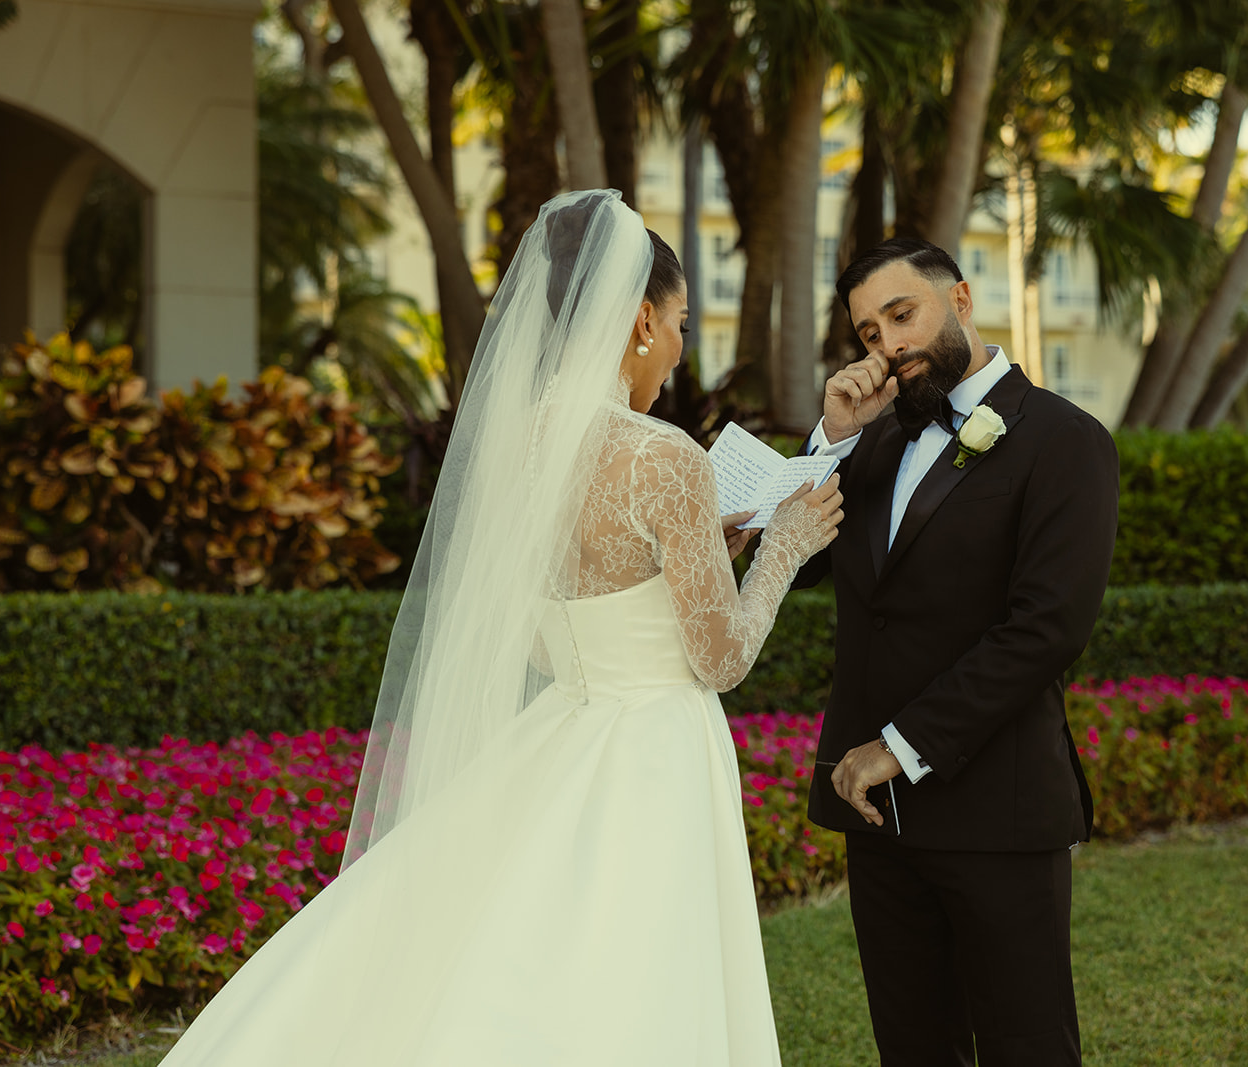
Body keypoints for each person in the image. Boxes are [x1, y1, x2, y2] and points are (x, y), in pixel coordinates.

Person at [157, 189, 842, 1066]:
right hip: (654, 750)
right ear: (638, 319)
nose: (678, 346)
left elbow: (530, 636)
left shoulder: (517, 443)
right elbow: (722, 659)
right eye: (675, 321)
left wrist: (706, 548)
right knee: (638, 979)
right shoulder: (664, 456)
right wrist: (781, 546)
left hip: (565, 727)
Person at [792, 237, 1119, 1065]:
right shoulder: (868, 441)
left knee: (1026, 1047)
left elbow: (1047, 628)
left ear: (962, 299)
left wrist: (898, 748)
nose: (889, 343)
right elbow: (800, 563)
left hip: (997, 813)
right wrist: (832, 436)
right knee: (912, 1048)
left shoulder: (1065, 439)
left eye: (903, 314)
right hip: (879, 823)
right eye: (869, 332)